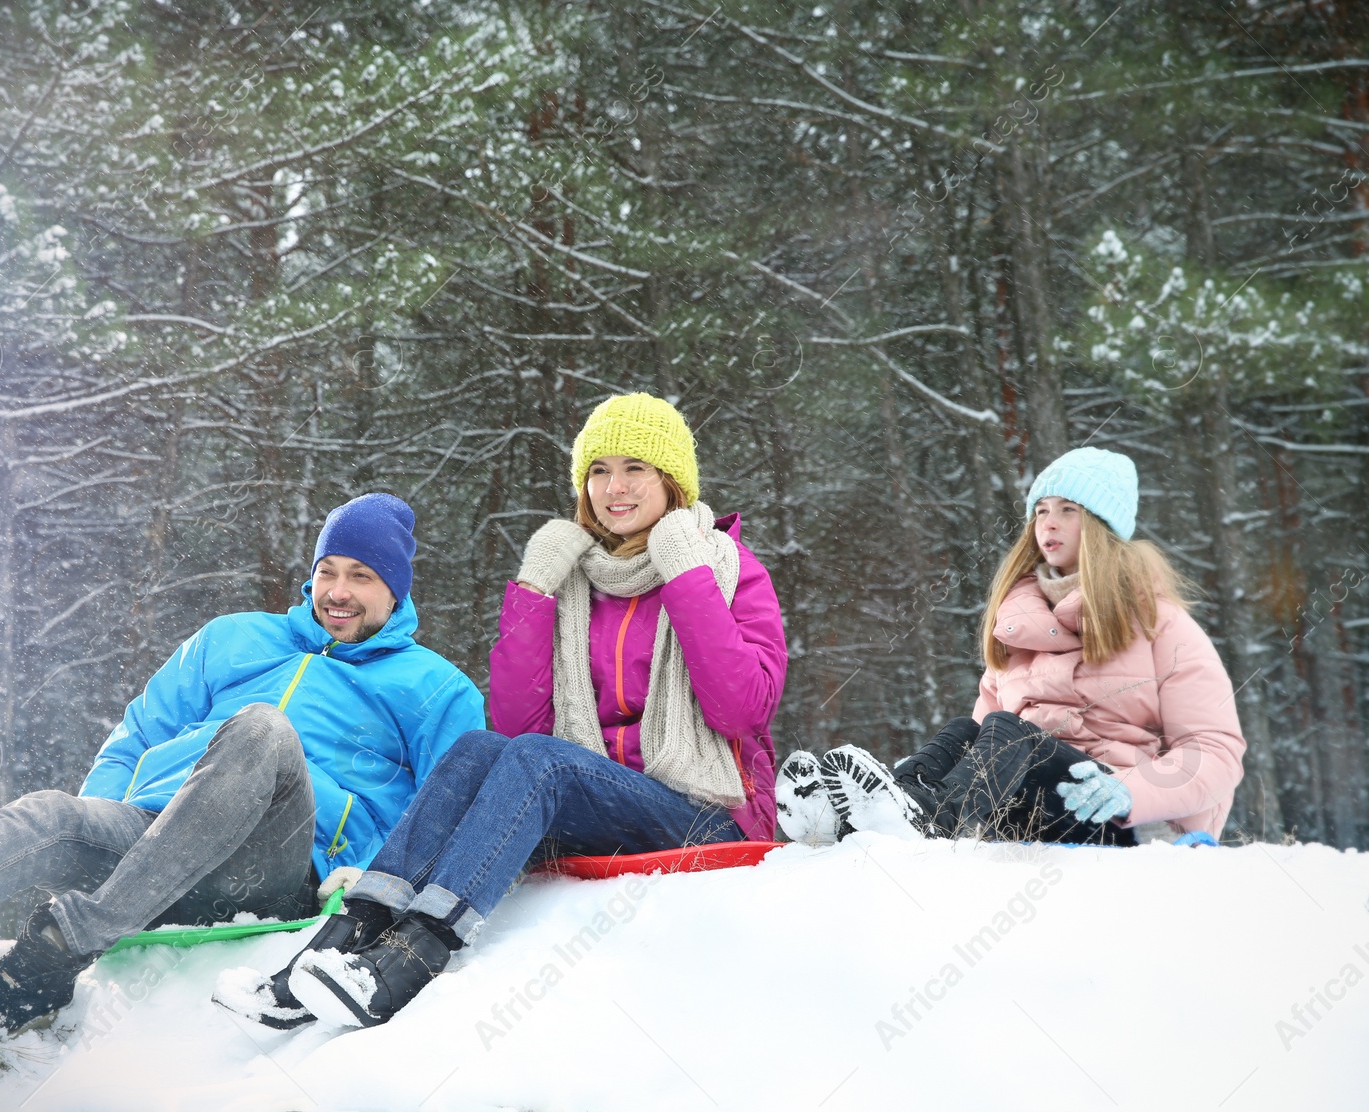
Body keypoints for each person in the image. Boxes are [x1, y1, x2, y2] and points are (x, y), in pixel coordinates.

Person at [0, 493, 485, 1038]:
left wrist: (359, 879)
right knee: (47, 814)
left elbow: (446, 808)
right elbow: (138, 733)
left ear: (396, 590)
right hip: (152, 835)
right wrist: (101, 819)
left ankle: (54, 956)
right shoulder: (232, 639)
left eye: (361, 576)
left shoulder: (433, 688)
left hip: (273, 867)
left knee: (264, 732)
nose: (337, 590)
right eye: (327, 570)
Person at [233, 393, 787, 1030]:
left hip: (707, 814)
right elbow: (519, 726)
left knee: (539, 763)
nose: (615, 487)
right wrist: (535, 590)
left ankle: (412, 957)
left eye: (635, 468)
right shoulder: (580, 582)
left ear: (673, 481)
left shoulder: (728, 571)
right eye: (598, 470)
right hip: (599, 803)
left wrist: (684, 572)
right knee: (477, 749)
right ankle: (334, 950)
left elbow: (741, 709)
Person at [777, 447, 1246, 847]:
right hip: (1029, 808)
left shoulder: (1161, 624)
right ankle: (869, 816)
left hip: (1114, 816)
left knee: (1006, 728)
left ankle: (930, 825)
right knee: (966, 730)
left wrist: (1132, 791)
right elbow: (983, 748)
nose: (1049, 523)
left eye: (1068, 509)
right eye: (1041, 510)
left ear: (1103, 525)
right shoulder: (1021, 628)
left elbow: (1214, 750)